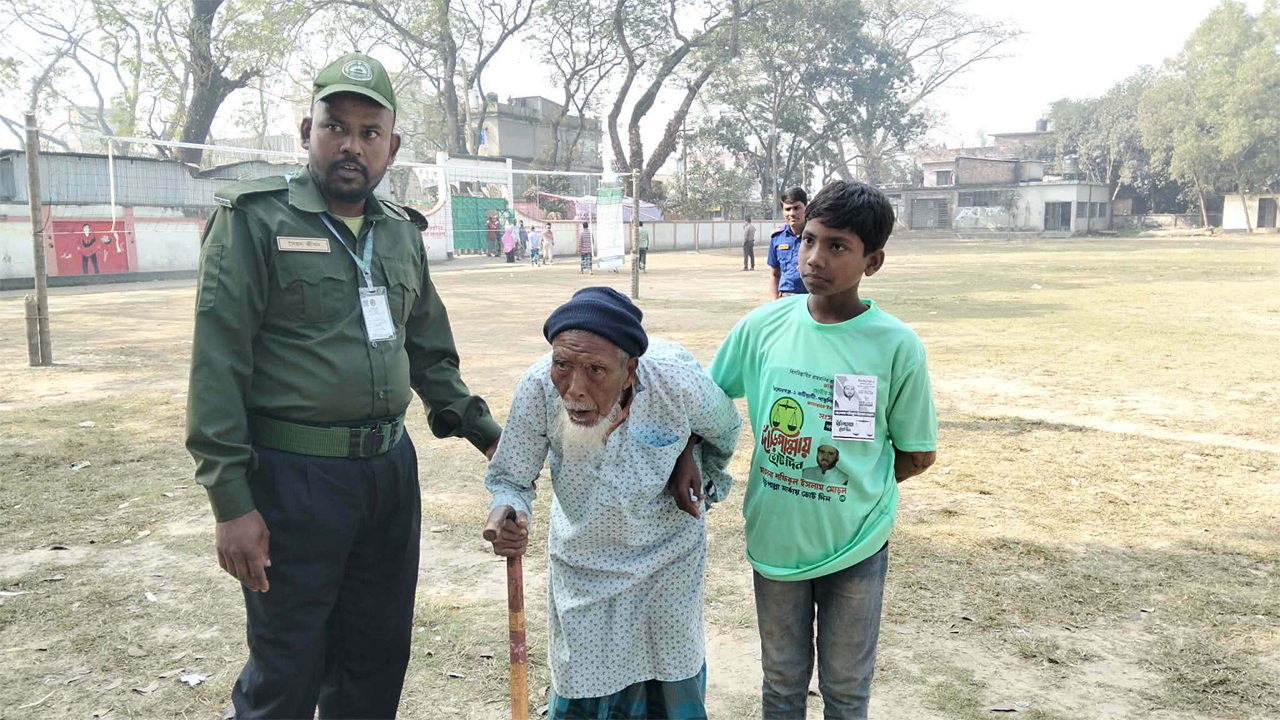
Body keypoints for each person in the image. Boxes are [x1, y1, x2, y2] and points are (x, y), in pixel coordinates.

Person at [184, 53, 502, 720]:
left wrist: (490, 437)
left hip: (388, 475)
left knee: (376, 661)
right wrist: (230, 502)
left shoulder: (398, 233)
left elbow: (430, 354)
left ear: (392, 145)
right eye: (335, 126)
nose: (351, 146)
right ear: (307, 130)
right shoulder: (254, 222)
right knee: (287, 670)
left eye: (368, 131)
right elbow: (218, 366)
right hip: (294, 481)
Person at [692, 180, 938, 719]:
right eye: (809, 240)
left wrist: (851, 486)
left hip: (857, 545)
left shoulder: (896, 345)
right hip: (776, 539)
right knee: (781, 683)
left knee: (847, 689)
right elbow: (705, 403)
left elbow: (918, 453)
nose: (815, 258)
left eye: (837, 247)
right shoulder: (762, 328)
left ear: (872, 261)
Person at [483, 287, 742, 720]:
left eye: (595, 370)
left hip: (668, 561)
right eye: (562, 365)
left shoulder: (676, 385)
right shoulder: (538, 389)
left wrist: (687, 456)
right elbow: (511, 477)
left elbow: (726, 427)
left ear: (629, 371)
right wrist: (508, 510)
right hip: (583, 565)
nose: (575, 389)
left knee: (671, 678)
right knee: (582, 682)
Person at [767, 188, 809, 299]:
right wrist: (774, 302)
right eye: (788, 209)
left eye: (796, 208)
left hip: (811, 298)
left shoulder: (817, 235)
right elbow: (774, 274)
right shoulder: (777, 237)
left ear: (806, 207)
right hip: (786, 297)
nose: (792, 213)